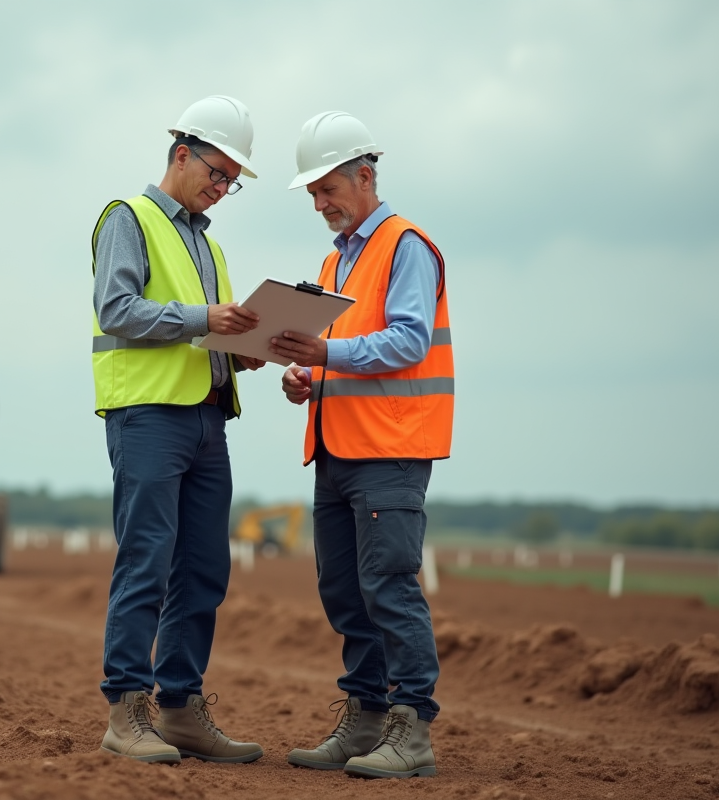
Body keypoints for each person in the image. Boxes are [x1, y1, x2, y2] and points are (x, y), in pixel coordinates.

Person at [269, 111, 454, 779]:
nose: (320, 203)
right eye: (313, 193)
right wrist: (306, 377)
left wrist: (326, 354)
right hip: (338, 450)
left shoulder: (406, 246)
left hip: (390, 450)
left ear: (366, 177)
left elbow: (407, 340)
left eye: (328, 189)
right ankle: (367, 718)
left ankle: (412, 730)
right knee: (345, 591)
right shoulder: (334, 259)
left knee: (389, 587)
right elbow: (345, 352)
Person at [90, 95, 266, 765]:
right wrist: (204, 320)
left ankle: (181, 710)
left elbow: (207, 331)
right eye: (218, 174)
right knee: (148, 560)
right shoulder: (127, 218)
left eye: (232, 182)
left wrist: (243, 350)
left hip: (207, 418)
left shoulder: (208, 243)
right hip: (148, 416)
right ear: (183, 154)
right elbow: (117, 309)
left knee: (203, 568)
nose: (222, 189)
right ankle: (126, 710)